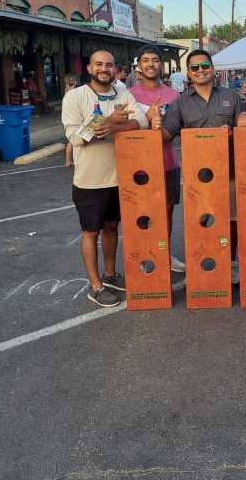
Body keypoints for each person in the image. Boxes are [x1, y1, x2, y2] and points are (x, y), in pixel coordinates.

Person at [62, 50, 150, 308]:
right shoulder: (75, 97)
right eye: (99, 64)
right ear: (89, 68)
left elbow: (142, 120)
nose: (104, 69)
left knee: (112, 227)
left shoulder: (122, 93)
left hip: (120, 178)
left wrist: (114, 128)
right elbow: (76, 138)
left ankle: (111, 275)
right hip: (90, 181)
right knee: (91, 232)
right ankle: (96, 286)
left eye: (109, 65)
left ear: (115, 69)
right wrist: (108, 120)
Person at [160, 49, 242, 282]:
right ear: (188, 73)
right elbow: (167, 133)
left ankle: (231, 262)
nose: (200, 71)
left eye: (204, 66)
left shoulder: (232, 97)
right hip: (199, 177)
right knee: (202, 221)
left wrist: (233, 133)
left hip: (231, 171)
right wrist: (156, 124)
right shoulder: (180, 103)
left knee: (232, 220)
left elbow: (245, 129)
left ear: (212, 69)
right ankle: (205, 261)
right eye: (195, 68)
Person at [130, 45, 185, 274]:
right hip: (139, 167)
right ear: (139, 65)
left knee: (167, 212)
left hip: (167, 163)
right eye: (146, 60)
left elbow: (182, 127)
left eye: (155, 60)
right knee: (142, 213)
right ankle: (145, 255)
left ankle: (164, 253)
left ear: (160, 65)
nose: (150, 64)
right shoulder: (129, 94)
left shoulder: (173, 95)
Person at [63, 73, 79, 167]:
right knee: (72, 141)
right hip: (73, 118)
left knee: (71, 140)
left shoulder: (67, 91)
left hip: (68, 118)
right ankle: (68, 161)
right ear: (75, 82)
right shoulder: (74, 92)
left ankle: (68, 160)